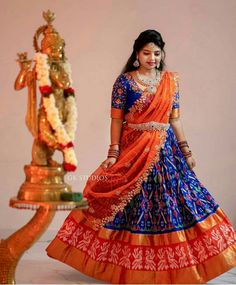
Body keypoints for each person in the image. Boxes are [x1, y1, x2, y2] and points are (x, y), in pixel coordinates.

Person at [46, 30, 236, 284]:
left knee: (175, 198)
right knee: (130, 201)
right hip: (133, 150)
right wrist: (113, 152)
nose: (152, 57)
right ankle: (126, 264)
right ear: (136, 54)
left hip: (167, 152)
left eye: (157, 53)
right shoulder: (124, 82)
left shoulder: (170, 81)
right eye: (146, 53)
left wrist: (186, 150)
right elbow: (116, 119)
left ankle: (176, 264)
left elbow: (175, 120)